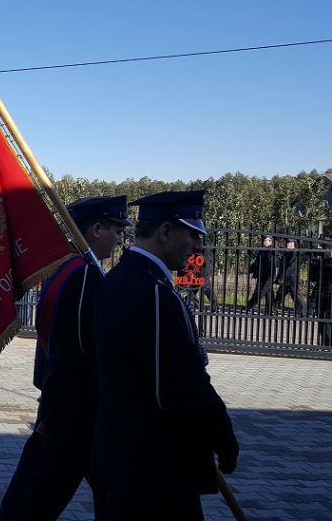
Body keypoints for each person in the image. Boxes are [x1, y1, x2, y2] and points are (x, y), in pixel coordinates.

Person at [93, 191, 238, 519]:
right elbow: (185, 383)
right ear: (166, 232)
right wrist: (223, 436)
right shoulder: (156, 294)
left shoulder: (116, 281)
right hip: (158, 461)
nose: (197, 245)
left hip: (121, 450)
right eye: (192, 234)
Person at [0, 195, 131, 520]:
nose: (119, 238)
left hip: (63, 403)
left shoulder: (65, 266)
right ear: (97, 229)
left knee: (107, 490)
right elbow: (83, 347)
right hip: (77, 409)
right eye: (116, 229)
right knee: (40, 496)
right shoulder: (86, 275)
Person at [246, 235, 276, 313]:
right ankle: (270, 309)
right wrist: (251, 269)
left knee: (260, 291)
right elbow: (257, 262)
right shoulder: (263, 250)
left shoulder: (271, 251)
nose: (264, 241)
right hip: (261, 275)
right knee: (268, 292)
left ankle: (250, 305)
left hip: (267, 276)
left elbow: (271, 264)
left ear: (270, 241)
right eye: (264, 240)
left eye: (266, 240)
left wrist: (270, 275)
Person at [309, 244, 332, 346]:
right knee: (321, 320)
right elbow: (313, 278)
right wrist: (314, 263)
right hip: (320, 294)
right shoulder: (319, 263)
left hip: (329, 295)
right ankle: (325, 343)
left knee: (328, 320)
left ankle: (328, 343)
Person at [275, 238, 306, 315]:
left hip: (291, 278)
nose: (288, 244)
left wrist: (281, 277)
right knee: (280, 294)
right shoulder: (287, 253)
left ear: (293, 244)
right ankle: (272, 309)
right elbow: (282, 267)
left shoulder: (294, 253)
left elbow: (289, 265)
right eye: (288, 243)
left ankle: (303, 311)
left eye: (290, 243)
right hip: (286, 278)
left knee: (295, 295)